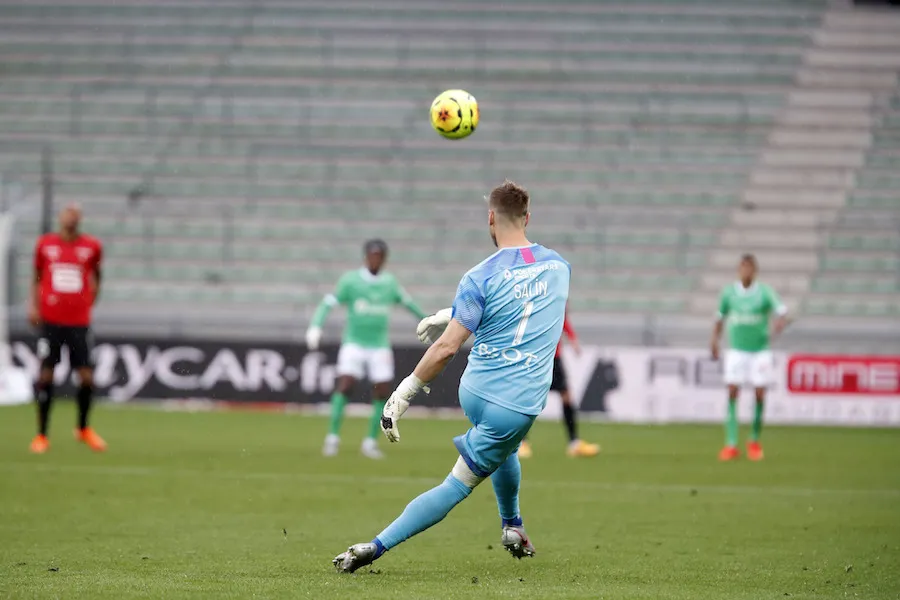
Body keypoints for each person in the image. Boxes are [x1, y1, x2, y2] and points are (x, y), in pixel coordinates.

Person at [333, 179, 570, 572]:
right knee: (457, 485)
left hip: (476, 389)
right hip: (513, 405)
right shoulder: (559, 268)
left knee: (504, 450)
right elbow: (526, 307)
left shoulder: (479, 276)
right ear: (528, 217)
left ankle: (513, 524)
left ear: (490, 218)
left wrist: (408, 387)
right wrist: (406, 389)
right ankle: (375, 546)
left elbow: (449, 346)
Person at [306, 239, 427, 459]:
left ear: (384, 259)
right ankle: (332, 437)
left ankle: (370, 442)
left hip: (379, 345)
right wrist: (315, 326)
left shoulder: (390, 283)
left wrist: (428, 321)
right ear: (365, 257)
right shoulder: (350, 281)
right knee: (345, 384)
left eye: (379, 256)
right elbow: (327, 303)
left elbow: (409, 304)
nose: (375, 260)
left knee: (382, 390)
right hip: (353, 343)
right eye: (372, 255)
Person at [28, 203, 105, 454]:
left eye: (75, 213)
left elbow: (97, 275)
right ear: (60, 217)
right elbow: (37, 276)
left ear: (80, 219)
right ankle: (41, 435)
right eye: (67, 212)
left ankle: (83, 429)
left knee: (86, 377)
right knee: (46, 375)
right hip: (51, 319)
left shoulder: (91, 246)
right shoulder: (45, 245)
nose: (70, 217)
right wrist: (34, 306)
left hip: (79, 322)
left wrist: (90, 300)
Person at [710, 254, 788, 462]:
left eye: (749, 268)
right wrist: (714, 341)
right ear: (738, 270)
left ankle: (753, 440)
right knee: (733, 391)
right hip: (736, 350)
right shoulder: (728, 293)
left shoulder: (764, 292)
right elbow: (719, 318)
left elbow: (781, 311)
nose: (745, 272)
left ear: (755, 271)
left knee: (760, 393)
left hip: (760, 350)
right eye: (742, 268)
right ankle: (731, 443)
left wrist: (780, 322)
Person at [518, 307, 600, 458]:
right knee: (528, 398)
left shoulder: (556, 291)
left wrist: (572, 337)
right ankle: (521, 442)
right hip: (538, 356)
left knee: (566, 396)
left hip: (554, 357)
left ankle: (574, 443)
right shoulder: (538, 293)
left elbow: (561, 316)